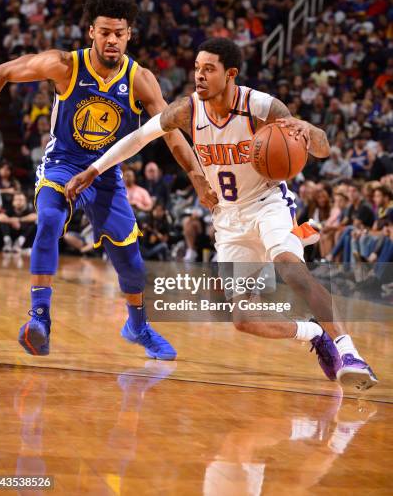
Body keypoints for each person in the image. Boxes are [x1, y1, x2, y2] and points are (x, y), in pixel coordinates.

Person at [66, 38, 377, 391]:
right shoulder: (188, 111)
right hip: (227, 219)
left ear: (230, 74)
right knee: (244, 319)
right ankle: (313, 332)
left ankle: (350, 353)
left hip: (267, 204)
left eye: (208, 69)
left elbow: (320, 146)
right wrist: (93, 170)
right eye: (197, 68)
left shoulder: (258, 105)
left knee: (292, 269)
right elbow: (138, 138)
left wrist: (309, 132)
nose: (199, 75)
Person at [0, 0, 217, 360]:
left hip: (107, 174)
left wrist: (197, 176)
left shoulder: (140, 79)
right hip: (63, 165)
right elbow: (0, 73)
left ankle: (138, 327)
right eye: (105, 32)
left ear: (129, 35)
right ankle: (40, 318)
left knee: (132, 265)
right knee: (47, 220)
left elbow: (169, 130)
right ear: (91, 31)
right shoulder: (64, 65)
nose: (112, 40)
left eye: (119, 33)